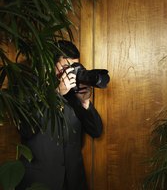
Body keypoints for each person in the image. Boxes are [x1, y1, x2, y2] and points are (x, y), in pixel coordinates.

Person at [16, 40, 103, 190]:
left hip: (73, 181)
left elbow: (96, 131)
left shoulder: (75, 92)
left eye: (74, 67)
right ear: (52, 64)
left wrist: (85, 103)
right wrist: (56, 94)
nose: (70, 73)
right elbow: (26, 130)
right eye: (66, 67)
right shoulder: (29, 88)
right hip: (40, 181)